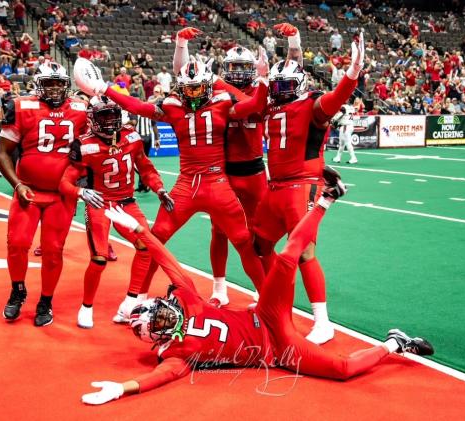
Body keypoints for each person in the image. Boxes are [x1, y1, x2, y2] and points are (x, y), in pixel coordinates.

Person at [80, 168, 434, 404]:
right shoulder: (177, 354)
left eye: (157, 312)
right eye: (157, 325)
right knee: (342, 371)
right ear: (157, 338)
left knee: (286, 259)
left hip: (265, 314)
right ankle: (394, 343)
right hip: (278, 350)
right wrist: (121, 389)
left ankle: (326, 199)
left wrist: (138, 230)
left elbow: (167, 261)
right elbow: (156, 379)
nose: (164, 317)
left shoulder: (187, 300)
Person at [73, 55, 268, 323]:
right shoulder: (174, 105)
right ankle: (135, 299)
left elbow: (256, 104)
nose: (193, 94)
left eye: (199, 87)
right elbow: (139, 107)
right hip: (187, 184)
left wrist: (263, 81)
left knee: (244, 242)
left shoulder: (223, 101)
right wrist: (106, 88)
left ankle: (267, 299)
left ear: (208, 84)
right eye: (188, 88)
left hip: (216, 183)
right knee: (155, 238)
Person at [250, 23, 364, 345]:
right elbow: (291, 63)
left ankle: (322, 321)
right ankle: (276, 302)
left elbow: (335, 97)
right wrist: (292, 44)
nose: (281, 89)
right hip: (276, 186)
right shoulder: (271, 104)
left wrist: (352, 74)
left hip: (301, 186)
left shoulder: (312, 105)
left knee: (303, 252)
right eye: (278, 84)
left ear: (299, 84)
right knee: (260, 245)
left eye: (287, 84)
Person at [172, 27, 269, 307]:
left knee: (259, 233)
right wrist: (182, 46)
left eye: (243, 67)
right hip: (224, 171)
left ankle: (265, 287)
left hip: (254, 171)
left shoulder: (259, 90)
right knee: (219, 231)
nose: (238, 72)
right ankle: (219, 287)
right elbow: (183, 72)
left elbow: (251, 102)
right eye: (233, 67)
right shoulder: (214, 90)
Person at [59, 96, 172, 329]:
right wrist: (81, 193)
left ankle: (130, 303)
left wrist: (159, 188)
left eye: (113, 115)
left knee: (146, 248)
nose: (110, 121)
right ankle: (86, 306)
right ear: (93, 119)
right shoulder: (84, 144)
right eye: (104, 116)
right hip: (100, 202)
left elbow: (146, 168)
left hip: (126, 202)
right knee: (99, 258)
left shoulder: (132, 137)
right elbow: (64, 182)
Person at [0, 62, 89, 327]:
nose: (55, 88)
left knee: (53, 251)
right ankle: (18, 289)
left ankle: (46, 300)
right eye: (49, 83)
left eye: (59, 83)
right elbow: (3, 152)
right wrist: (16, 184)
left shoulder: (82, 108)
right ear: (39, 84)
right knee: (17, 245)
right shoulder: (23, 106)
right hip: (28, 191)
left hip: (61, 194)